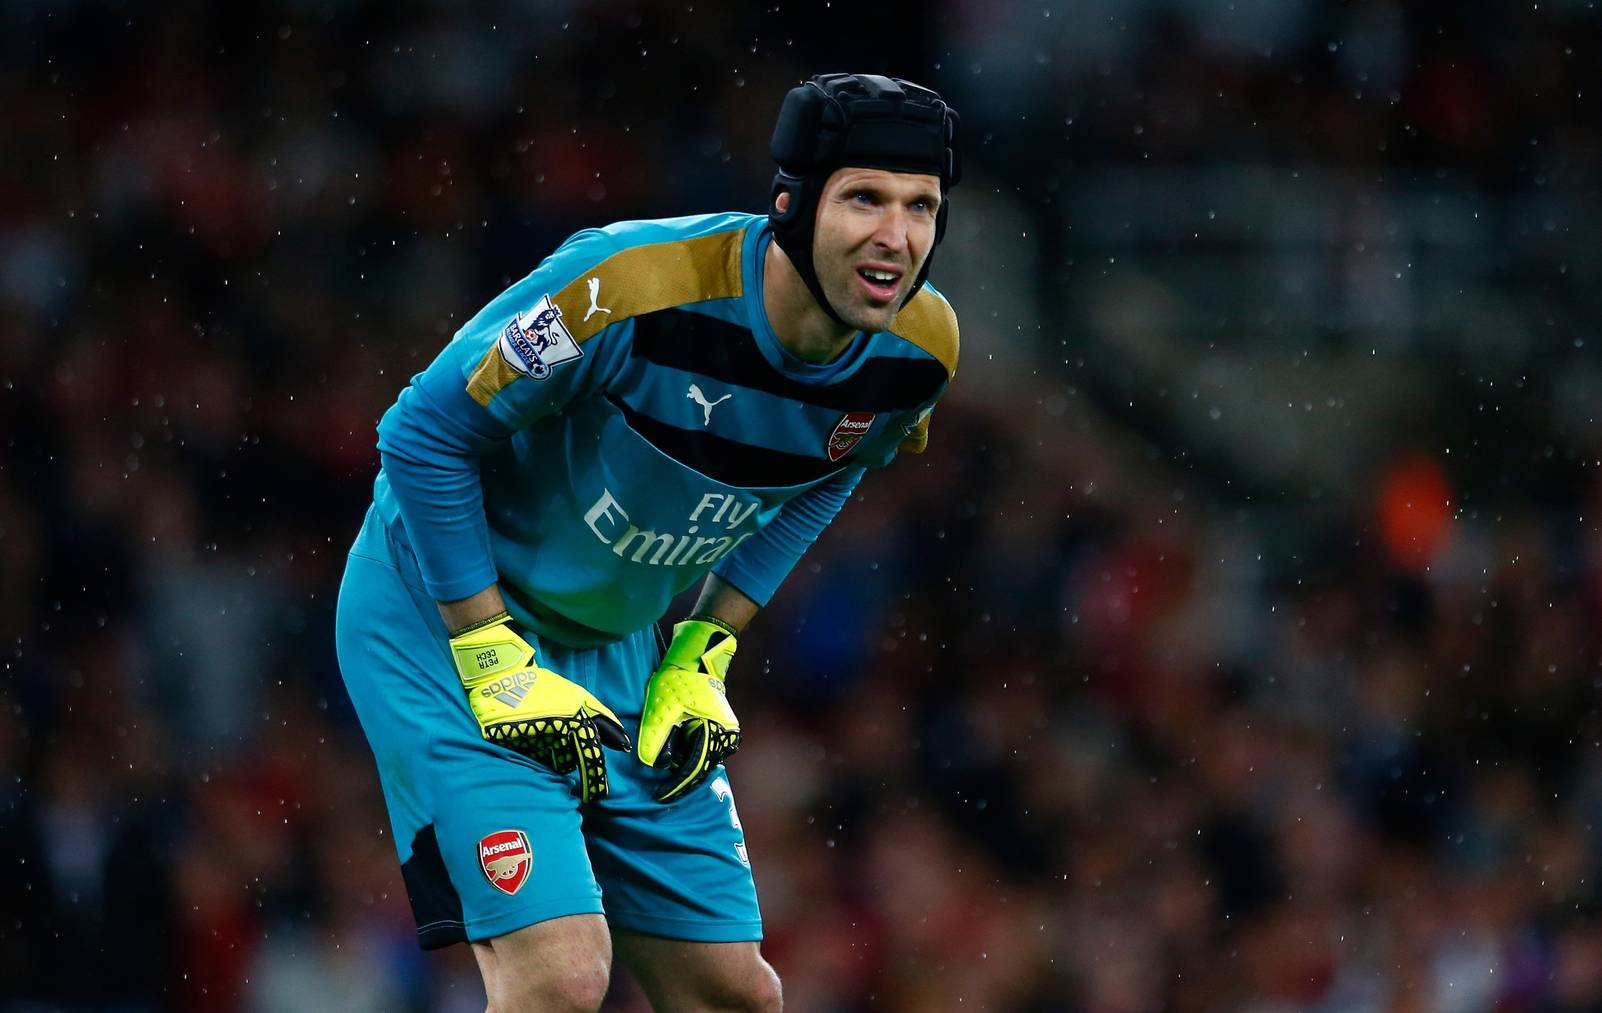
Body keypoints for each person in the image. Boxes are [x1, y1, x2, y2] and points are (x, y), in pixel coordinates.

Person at [334, 72, 962, 1012]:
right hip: (441, 616)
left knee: (731, 994)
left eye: (921, 207)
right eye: (864, 197)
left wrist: (706, 646)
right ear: (791, 204)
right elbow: (421, 433)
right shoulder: (623, 288)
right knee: (559, 974)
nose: (895, 236)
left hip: (617, 639)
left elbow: (833, 474)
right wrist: (490, 648)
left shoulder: (917, 352)